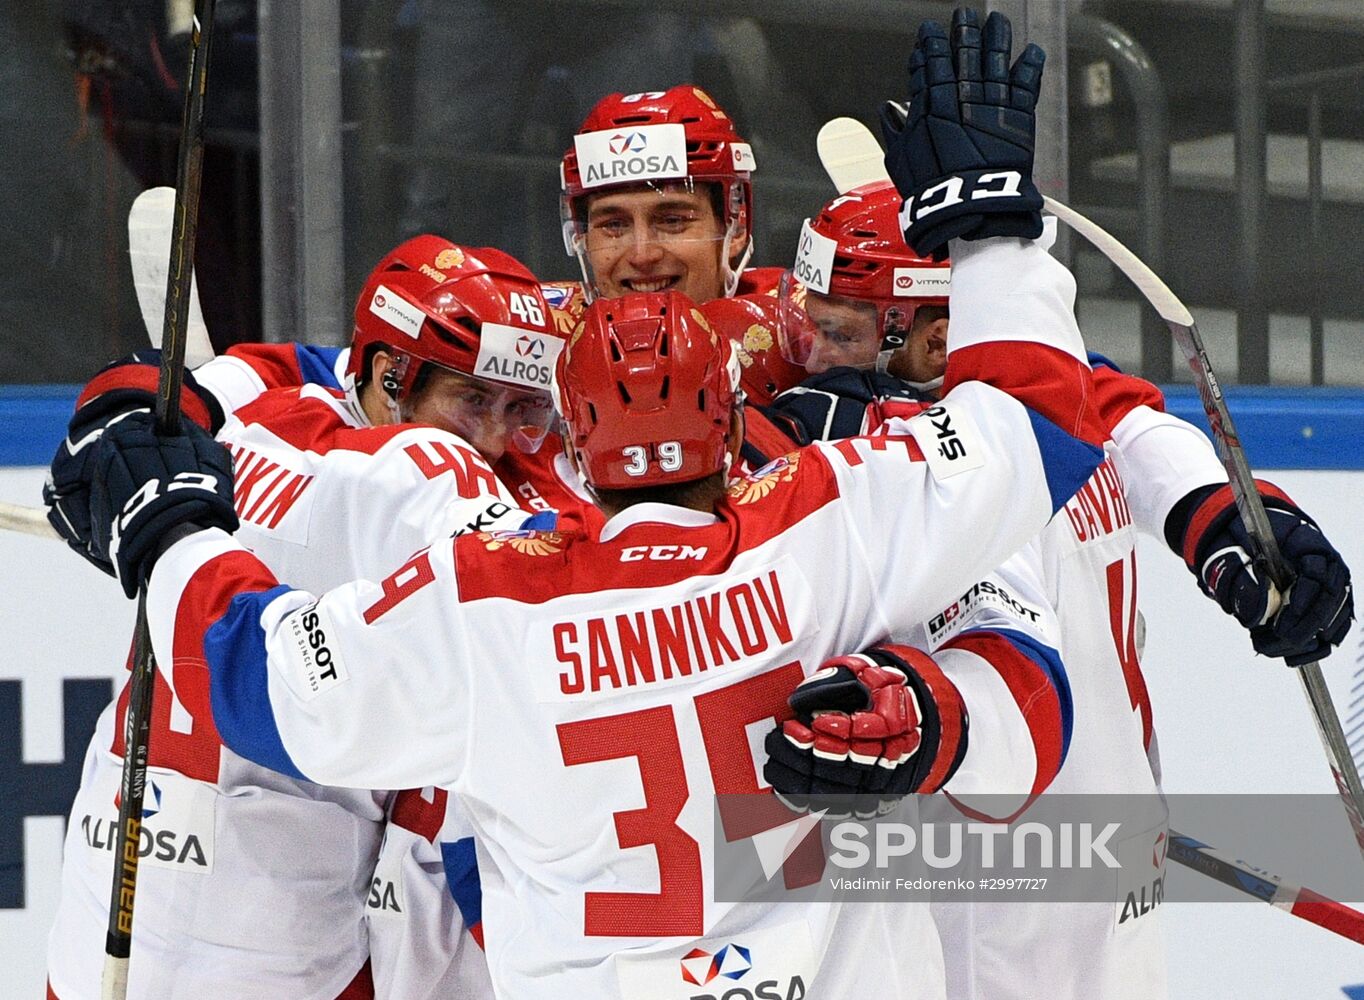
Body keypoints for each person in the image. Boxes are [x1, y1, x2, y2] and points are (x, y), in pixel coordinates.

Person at [762, 158, 1352, 1000]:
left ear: (936, 340)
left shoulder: (942, 469)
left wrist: (1229, 522)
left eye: (840, 333)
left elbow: (1128, 424)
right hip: (1081, 854)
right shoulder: (1053, 413)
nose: (807, 356)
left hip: (990, 895)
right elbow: (1120, 414)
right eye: (807, 322)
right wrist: (1219, 518)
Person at [42, 237, 558, 1000]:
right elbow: (552, 589)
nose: (494, 438)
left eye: (521, 410)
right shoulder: (434, 480)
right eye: (473, 401)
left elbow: (199, 389)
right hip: (283, 930)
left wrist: (125, 406)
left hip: (109, 878)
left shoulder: (235, 422)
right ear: (389, 379)